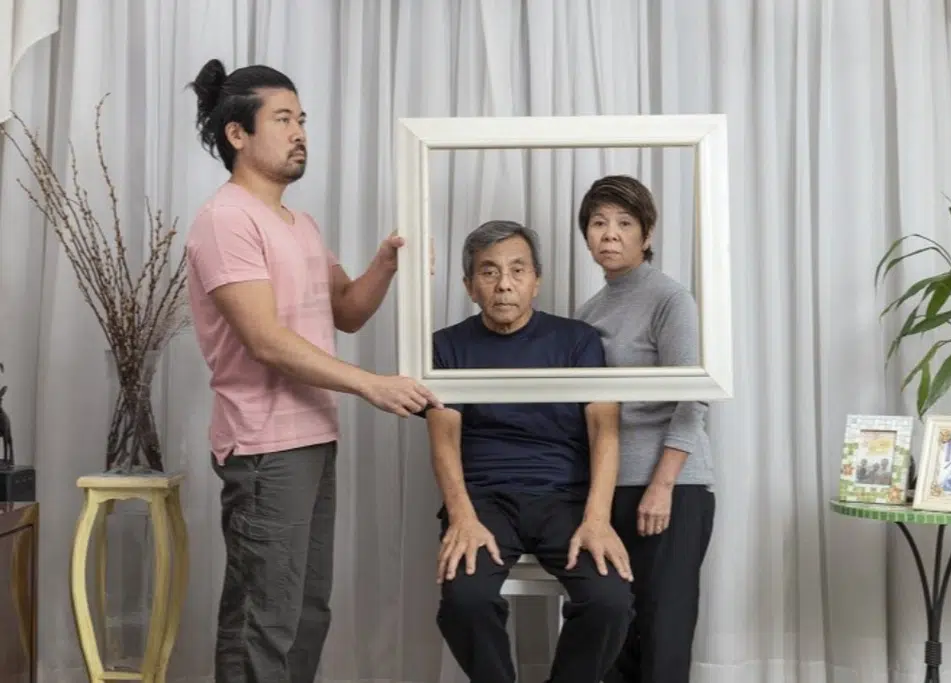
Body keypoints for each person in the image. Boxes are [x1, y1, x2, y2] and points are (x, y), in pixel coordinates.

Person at [183, 58, 441, 683]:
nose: (299, 132)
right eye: (283, 119)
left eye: (302, 119)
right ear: (237, 134)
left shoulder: (301, 225)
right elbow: (266, 342)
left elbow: (346, 310)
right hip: (264, 446)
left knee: (305, 612)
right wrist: (371, 384)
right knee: (266, 618)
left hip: (312, 436)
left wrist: (386, 263)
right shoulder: (226, 219)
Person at [424, 220, 635, 683]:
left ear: (536, 281)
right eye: (489, 272)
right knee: (465, 600)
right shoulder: (446, 346)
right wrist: (462, 516)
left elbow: (605, 432)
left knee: (610, 600)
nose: (504, 284)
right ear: (469, 286)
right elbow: (443, 440)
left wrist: (597, 518)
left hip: (565, 500)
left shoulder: (577, 341)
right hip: (484, 502)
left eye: (517, 270)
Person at [574, 175, 716, 683]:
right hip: (608, 488)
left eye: (624, 223)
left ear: (647, 234)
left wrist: (662, 485)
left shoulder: (670, 299)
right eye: (598, 223)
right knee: (615, 636)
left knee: (662, 633)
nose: (610, 234)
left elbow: (694, 396)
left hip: (670, 487)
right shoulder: (589, 311)